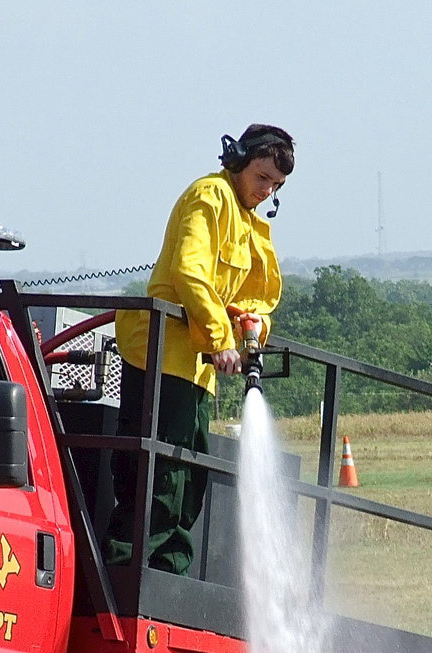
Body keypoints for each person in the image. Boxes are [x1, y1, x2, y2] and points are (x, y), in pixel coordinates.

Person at [103, 124, 294, 574]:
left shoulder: (247, 221)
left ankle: (171, 578)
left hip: (198, 367)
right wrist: (221, 340)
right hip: (161, 354)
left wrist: (251, 328)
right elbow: (191, 274)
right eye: (262, 177)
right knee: (158, 477)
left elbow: (256, 297)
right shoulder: (209, 198)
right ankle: (129, 575)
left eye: (277, 185)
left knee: (189, 479)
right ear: (239, 160)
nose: (267, 191)